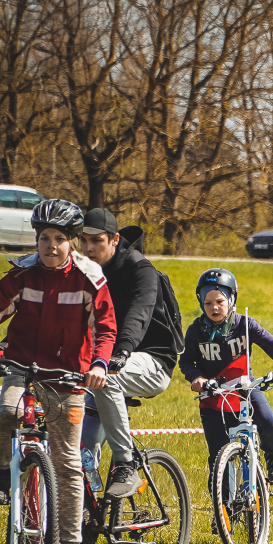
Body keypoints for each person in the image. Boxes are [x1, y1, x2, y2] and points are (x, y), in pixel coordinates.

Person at [0, 199, 116, 544]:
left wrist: (98, 364)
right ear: (36, 239)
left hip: (68, 377)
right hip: (22, 366)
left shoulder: (89, 278)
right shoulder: (22, 276)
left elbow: (106, 327)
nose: (51, 246)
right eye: (44, 238)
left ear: (71, 243)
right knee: (8, 412)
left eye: (60, 239)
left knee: (66, 465)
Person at [76, 208, 183, 498]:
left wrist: (121, 352)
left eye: (96, 241)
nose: (88, 248)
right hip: (99, 363)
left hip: (151, 360)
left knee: (107, 378)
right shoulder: (82, 272)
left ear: (114, 239)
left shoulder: (140, 269)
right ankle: (84, 517)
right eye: (83, 241)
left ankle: (126, 464)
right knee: (79, 453)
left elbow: (139, 313)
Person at [179, 269, 273, 487]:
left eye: (220, 301)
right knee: (218, 459)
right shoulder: (196, 331)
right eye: (207, 303)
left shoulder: (245, 324)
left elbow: (272, 343)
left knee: (269, 421)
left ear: (231, 299)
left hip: (246, 390)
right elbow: (186, 361)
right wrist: (196, 377)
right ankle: (221, 512)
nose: (214, 307)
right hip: (213, 398)